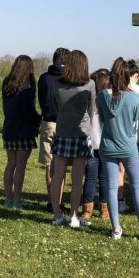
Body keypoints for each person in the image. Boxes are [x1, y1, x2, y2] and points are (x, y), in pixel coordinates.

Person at [97, 57, 139, 242]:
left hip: (108, 145)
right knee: (137, 186)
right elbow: (135, 121)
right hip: (128, 146)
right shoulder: (133, 97)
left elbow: (102, 119)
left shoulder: (102, 96)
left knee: (111, 185)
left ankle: (116, 228)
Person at [48, 50, 95, 228]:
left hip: (62, 132)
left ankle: (57, 215)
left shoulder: (56, 83)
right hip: (81, 134)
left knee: (58, 176)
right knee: (77, 179)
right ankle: (74, 216)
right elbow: (92, 110)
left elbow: (55, 105)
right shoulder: (89, 84)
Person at [1, 55, 41, 208]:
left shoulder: (7, 81)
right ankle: (17, 200)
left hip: (10, 127)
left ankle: (8, 199)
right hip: (24, 129)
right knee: (20, 166)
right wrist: (38, 120)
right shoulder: (28, 84)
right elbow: (28, 109)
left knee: (10, 164)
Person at [37, 47, 69, 207]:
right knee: (62, 163)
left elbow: (41, 100)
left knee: (50, 163)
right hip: (66, 123)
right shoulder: (70, 78)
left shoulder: (44, 78)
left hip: (48, 121)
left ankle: (51, 200)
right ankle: (60, 200)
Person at [81, 68, 111, 221]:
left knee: (90, 178)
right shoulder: (110, 103)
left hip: (91, 145)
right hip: (106, 146)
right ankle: (104, 210)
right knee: (104, 179)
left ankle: (88, 209)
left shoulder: (89, 104)